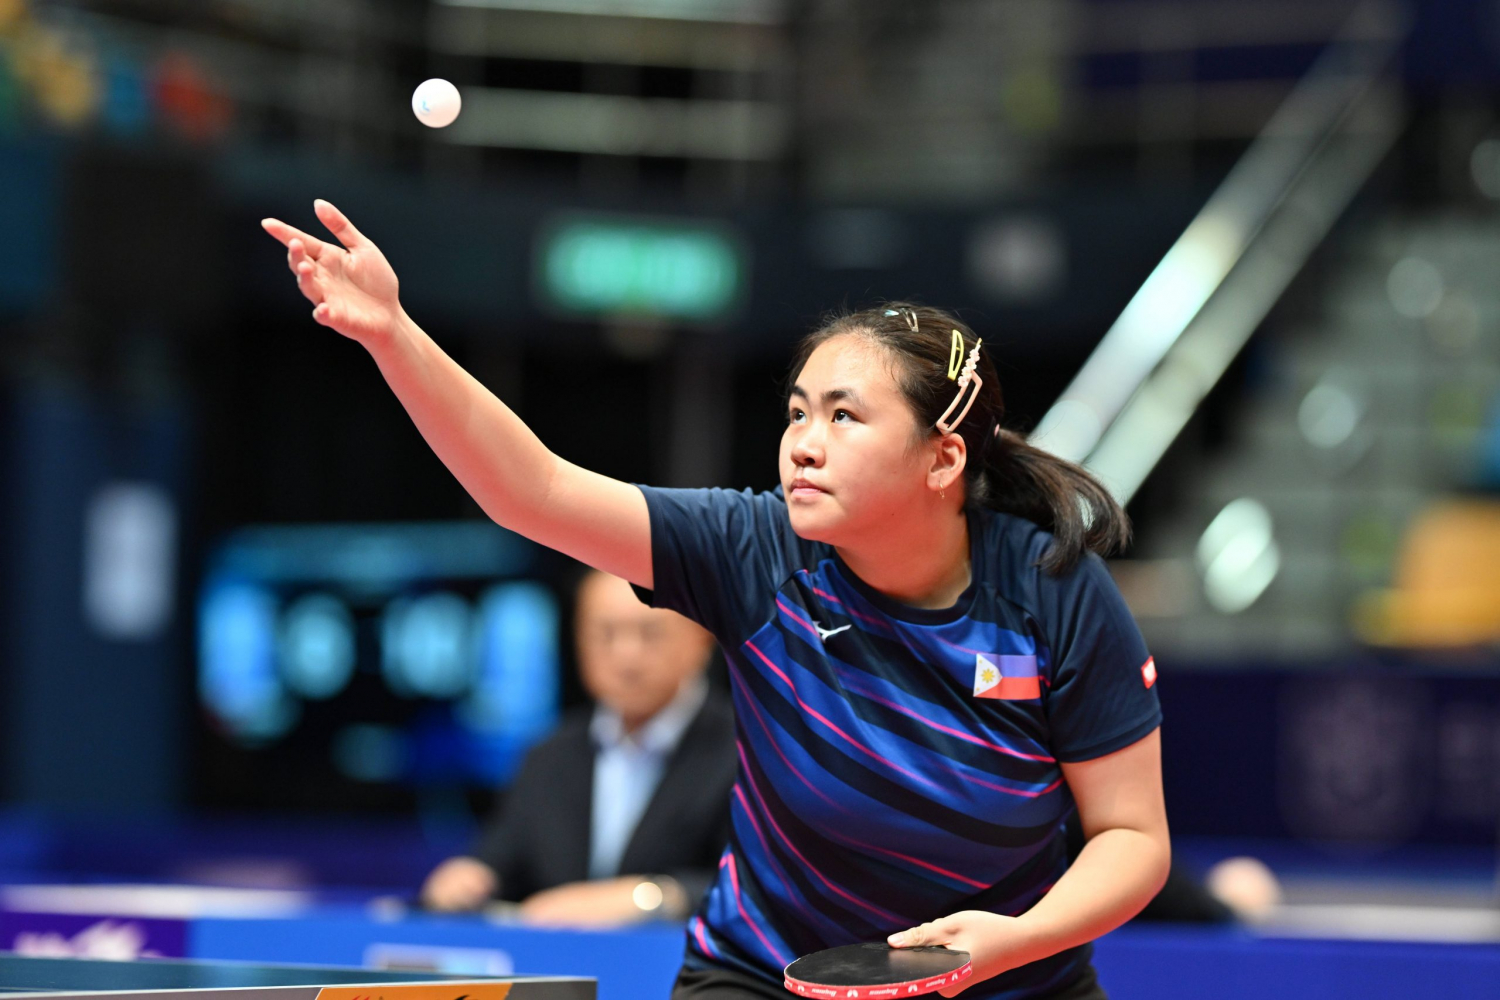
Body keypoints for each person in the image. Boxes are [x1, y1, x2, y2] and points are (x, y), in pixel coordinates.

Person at [262, 201, 1169, 1000]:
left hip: (1013, 980)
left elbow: (1132, 835)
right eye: (797, 412)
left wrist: (1017, 939)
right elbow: (532, 491)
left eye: (844, 416)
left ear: (943, 458)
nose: (803, 443)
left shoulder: (1050, 588)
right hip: (766, 975)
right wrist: (393, 335)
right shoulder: (753, 550)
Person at [421, 569, 735, 926]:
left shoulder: (750, 750)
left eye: (649, 633)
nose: (626, 655)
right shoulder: (549, 756)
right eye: (605, 634)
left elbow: (764, 886)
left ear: (701, 639)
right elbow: (501, 859)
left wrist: (652, 897)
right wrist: (469, 877)